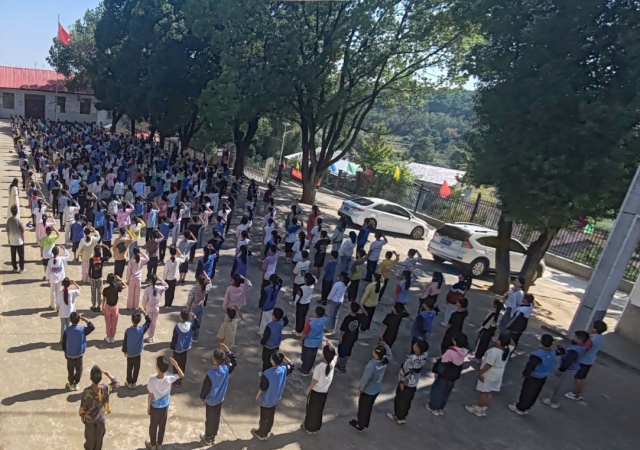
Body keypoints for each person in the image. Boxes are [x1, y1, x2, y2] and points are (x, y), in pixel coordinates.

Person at [466, 333, 515, 417]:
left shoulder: (493, 351)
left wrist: (480, 373)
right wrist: (507, 337)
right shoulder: (508, 349)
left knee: (483, 392)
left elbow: (488, 364)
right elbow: (513, 344)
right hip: (498, 375)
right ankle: (483, 409)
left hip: (488, 374)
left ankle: (477, 409)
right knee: (489, 392)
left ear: (499, 342)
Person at [349, 342, 393, 432]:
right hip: (376, 389)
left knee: (363, 408)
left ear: (375, 353)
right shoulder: (384, 361)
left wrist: (360, 389)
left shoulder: (371, 366)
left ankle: (360, 424)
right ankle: (364, 422)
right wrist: (386, 346)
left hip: (368, 391)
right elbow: (390, 356)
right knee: (368, 407)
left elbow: (365, 379)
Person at [509, 334, 557, 415]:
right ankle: (527, 407)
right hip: (543, 376)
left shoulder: (538, 354)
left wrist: (524, 374)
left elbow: (531, 366)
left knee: (527, 392)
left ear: (541, 342)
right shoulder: (553, 352)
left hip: (534, 376)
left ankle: (520, 408)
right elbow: (562, 351)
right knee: (535, 393)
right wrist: (558, 345)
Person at [199, 344, 238, 446]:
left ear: (213, 359)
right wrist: (228, 352)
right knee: (216, 418)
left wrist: (202, 398)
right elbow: (234, 362)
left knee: (209, 419)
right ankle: (213, 435)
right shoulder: (226, 369)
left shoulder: (210, 374)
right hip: (220, 399)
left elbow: (205, 388)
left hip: (211, 401)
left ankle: (208, 437)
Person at [252, 351, 295, 441]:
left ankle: (261, 433)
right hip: (275, 399)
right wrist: (284, 357)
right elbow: (291, 365)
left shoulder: (267, 373)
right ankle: (267, 432)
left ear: (272, 360)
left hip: (266, 399)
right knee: (270, 416)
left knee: (264, 417)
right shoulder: (283, 370)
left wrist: (257, 396)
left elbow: (263, 387)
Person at [542, 330, 590, 409]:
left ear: (580, 340)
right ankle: (553, 400)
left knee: (561, 387)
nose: (573, 338)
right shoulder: (581, 348)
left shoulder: (574, 351)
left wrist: (560, 370)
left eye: (575, 337)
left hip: (569, 371)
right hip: (572, 370)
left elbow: (568, 362)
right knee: (561, 386)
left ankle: (554, 402)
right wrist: (560, 346)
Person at [425, 333, 469, 416]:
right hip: (455, 373)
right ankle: (440, 408)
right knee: (446, 391)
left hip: (445, 372)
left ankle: (433, 407)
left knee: (438, 390)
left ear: (455, 342)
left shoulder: (450, 351)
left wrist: (437, 372)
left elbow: (443, 362)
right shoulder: (464, 351)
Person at [387, 340, 429, 424]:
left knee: (400, 399)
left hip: (407, 382)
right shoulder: (423, 356)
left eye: (416, 345)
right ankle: (403, 416)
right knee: (407, 401)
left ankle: (397, 416)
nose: (414, 345)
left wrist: (402, 381)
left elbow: (405, 370)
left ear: (418, 349)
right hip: (414, 382)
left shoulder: (411, 359)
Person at [147, 356, 185, 450]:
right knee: (162, 426)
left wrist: (148, 407)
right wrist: (176, 365)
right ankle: (159, 444)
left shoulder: (152, 380)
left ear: (157, 367)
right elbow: (181, 375)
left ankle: (152, 445)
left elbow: (150, 395)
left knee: (153, 426)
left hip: (155, 407)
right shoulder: (169, 377)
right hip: (164, 406)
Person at [566, 320, 607, 401]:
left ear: (595, 329)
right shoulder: (601, 338)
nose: (591, 327)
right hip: (590, 360)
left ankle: (575, 394)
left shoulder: (591, 338)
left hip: (584, 360)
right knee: (583, 377)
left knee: (578, 377)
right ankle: (579, 392)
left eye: (592, 326)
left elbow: (585, 348)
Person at [79, 366, 119, 450]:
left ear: (90, 378)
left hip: (90, 420)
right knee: (99, 440)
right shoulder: (105, 388)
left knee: (90, 440)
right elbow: (116, 384)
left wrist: (82, 416)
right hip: (100, 419)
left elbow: (83, 405)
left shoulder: (87, 391)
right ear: (101, 378)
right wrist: (108, 375)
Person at [301, 342, 336, 434]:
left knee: (311, 410)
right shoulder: (332, 363)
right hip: (324, 392)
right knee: (319, 410)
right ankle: (315, 427)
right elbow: (336, 354)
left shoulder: (319, 367)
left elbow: (314, 381)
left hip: (316, 392)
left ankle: (308, 427)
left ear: (324, 354)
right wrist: (331, 345)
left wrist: (308, 389)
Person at [62, 312, 95, 391]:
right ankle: (76, 383)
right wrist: (86, 320)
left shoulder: (67, 331)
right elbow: (92, 327)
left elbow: (63, 343)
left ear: (70, 320)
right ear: (79, 320)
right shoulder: (82, 330)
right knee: (79, 370)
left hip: (70, 355)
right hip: (79, 354)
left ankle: (71, 383)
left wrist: (65, 352)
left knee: (70, 370)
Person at [122, 307, 152, 389]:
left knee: (129, 368)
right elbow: (149, 321)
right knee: (136, 368)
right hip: (138, 354)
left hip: (130, 354)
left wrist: (125, 351)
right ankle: (134, 383)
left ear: (131, 320)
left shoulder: (128, 331)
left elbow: (125, 342)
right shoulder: (141, 329)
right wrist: (144, 312)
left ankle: (129, 382)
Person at [170, 309, 201, 387]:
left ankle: (176, 380)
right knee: (182, 364)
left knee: (176, 365)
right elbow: (198, 324)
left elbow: (174, 339)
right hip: (185, 348)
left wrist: (172, 347)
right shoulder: (190, 325)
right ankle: (180, 379)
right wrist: (194, 317)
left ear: (180, 317)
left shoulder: (177, 327)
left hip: (177, 349)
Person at [336, 302, 367, 373]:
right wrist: (361, 307)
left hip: (346, 338)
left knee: (341, 353)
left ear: (350, 308)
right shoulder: (359, 316)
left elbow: (343, 330)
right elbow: (366, 314)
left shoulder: (347, 318)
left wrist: (341, 337)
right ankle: (344, 365)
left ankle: (340, 366)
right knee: (348, 352)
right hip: (353, 337)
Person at [300, 306, 329, 375]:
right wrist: (323, 312)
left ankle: (304, 369)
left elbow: (305, 332)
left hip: (308, 342)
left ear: (315, 313)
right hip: (317, 342)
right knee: (312, 357)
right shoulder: (323, 320)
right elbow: (328, 316)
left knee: (305, 356)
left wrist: (301, 340)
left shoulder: (310, 322)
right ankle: (308, 369)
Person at [260, 308, 289, 374]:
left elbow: (265, 337)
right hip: (276, 345)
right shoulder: (281, 323)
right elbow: (286, 321)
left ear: (274, 316)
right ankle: (272, 371)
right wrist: (283, 315)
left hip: (268, 346)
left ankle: (264, 373)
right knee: (274, 358)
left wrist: (262, 343)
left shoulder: (269, 326)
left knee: (266, 360)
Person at [141, 275, 169, 343]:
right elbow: (167, 286)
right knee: (154, 322)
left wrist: (144, 307)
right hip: (156, 308)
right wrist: (161, 280)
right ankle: (152, 336)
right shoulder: (159, 288)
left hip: (149, 308)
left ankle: (149, 336)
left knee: (149, 322)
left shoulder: (147, 289)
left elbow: (144, 300)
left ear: (150, 281)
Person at [102, 274, 128, 343]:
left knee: (108, 323)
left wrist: (102, 307)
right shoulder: (117, 287)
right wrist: (120, 280)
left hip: (108, 306)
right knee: (114, 323)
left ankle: (108, 337)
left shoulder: (105, 289)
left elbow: (104, 299)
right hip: (115, 307)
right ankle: (112, 337)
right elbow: (125, 286)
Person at [187, 274, 213, 342]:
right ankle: (196, 337)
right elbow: (210, 284)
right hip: (201, 306)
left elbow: (190, 299)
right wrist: (207, 278)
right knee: (198, 321)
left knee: (192, 322)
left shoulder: (194, 289)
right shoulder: (205, 288)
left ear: (198, 281)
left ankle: (191, 336)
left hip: (194, 307)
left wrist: (188, 306)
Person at [56, 278, 81, 342]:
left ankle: (62, 339)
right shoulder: (72, 292)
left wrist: (58, 309)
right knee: (68, 326)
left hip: (62, 312)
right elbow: (79, 290)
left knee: (62, 326)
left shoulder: (59, 293)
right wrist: (74, 283)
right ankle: (68, 339)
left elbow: (58, 303)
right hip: (70, 313)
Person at [46, 245, 71, 310]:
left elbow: (48, 269)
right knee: (59, 291)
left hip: (52, 278)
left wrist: (48, 277)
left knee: (52, 292)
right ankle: (58, 305)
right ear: (58, 252)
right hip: (59, 278)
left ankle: (52, 305)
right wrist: (64, 249)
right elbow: (67, 256)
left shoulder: (50, 260)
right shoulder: (61, 259)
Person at [7, 205, 26, 273]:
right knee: (21, 255)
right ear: (17, 212)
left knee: (13, 255)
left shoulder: (9, 220)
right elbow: (22, 232)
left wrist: (9, 239)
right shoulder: (19, 221)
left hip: (12, 241)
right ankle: (21, 268)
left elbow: (8, 231)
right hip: (19, 241)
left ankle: (14, 268)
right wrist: (23, 240)